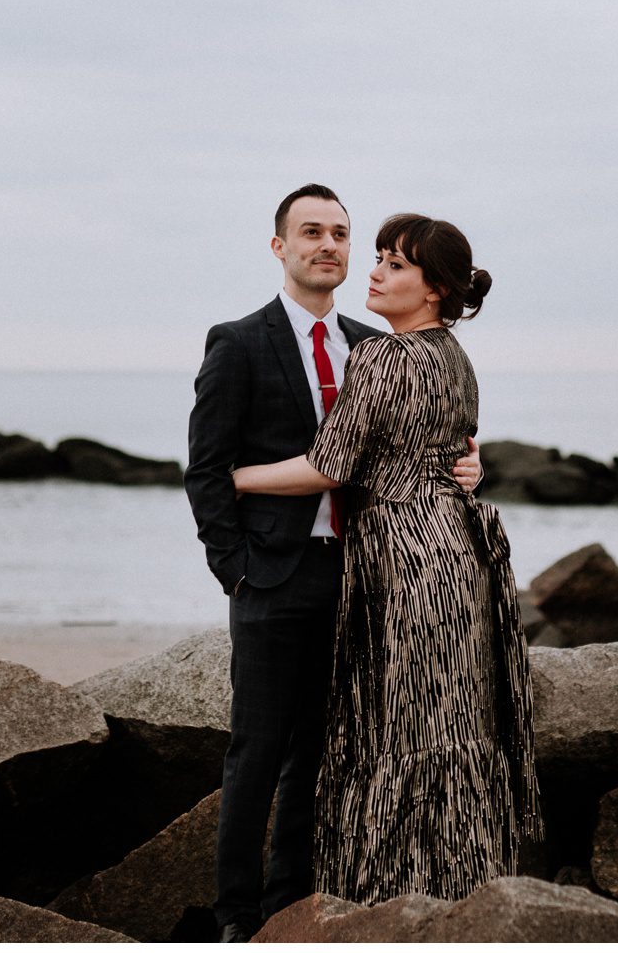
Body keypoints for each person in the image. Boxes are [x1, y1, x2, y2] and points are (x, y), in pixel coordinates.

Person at [185, 186, 483, 942]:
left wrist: (473, 466)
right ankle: (236, 916)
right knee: (255, 752)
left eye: (342, 234)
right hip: (274, 574)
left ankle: (294, 904)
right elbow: (206, 466)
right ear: (280, 246)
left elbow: (424, 444)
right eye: (311, 232)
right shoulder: (239, 341)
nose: (330, 245)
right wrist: (237, 568)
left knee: (324, 752)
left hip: (365, 577)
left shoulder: (374, 342)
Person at [231, 213, 541, 905]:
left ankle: (389, 896)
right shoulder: (457, 359)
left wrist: (235, 478)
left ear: (433, 290)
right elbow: (456, 452)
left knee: (395, 724)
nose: (374, 271)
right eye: (377, 257)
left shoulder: (380, 357)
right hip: (460, 552)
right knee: (450, 720)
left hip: (402, 557)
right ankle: (462, 889)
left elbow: (327, 465)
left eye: (394, 265)